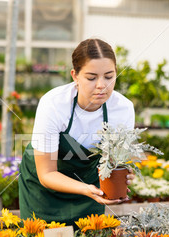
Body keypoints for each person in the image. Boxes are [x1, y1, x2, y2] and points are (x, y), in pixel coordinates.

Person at [18, 38, 135, 227]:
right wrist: (85, 189)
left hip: (90, 192)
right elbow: (46, 173)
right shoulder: (53, 104)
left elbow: (115, 163)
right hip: (42, 192)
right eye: (91, 78)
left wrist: (124, 176)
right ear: (75, 76)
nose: (101, 85)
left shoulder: (123, 109)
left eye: (109, 76)